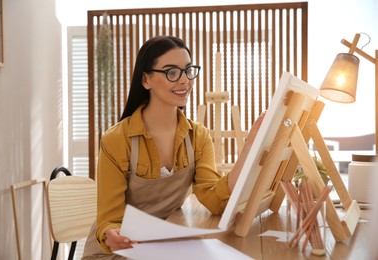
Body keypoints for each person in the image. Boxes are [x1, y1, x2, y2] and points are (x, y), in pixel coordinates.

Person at [82, 35, 264, 259]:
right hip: (114, 253)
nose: (184, 81)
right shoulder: (116, 141)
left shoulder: (198, 136)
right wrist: (112, 234)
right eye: (171, 72)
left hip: (159, 247)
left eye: (188, 70)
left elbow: (215, 201)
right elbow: (109, 219)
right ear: (146, 80)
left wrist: (248, 151)